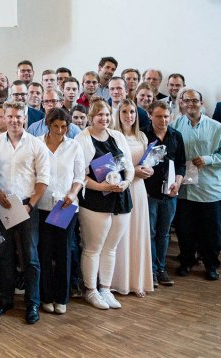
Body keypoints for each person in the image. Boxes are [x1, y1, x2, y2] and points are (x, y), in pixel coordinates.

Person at [0, 101, 50, 324]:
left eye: (18, 116)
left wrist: (30, 205)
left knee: (30, 257)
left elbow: (43, 180)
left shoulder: (36, 145)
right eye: (9, 116)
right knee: (4, 255)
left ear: (25, 118)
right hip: (3, 206)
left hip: (27, 207)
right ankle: (5, 299)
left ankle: (32, 303)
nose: (13, 120)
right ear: (4, 118)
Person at [73, 100, 134, 310]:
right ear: (91, 116)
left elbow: (130, 167)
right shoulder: (82, 139)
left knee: (111, 248)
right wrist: (101, 187)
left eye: (107, 114)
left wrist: (126, 183)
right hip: (95, 200)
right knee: (93, 248)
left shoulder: (117, 136)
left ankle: (106, 289)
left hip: (120, 198)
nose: (104, 119)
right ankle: (91, 290)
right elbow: (79, 175)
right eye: (100, 115)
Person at [170, 88, 221, 281]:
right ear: (181, 103)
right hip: (185, 189)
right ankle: (187, 261)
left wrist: (208, 159)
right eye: (187, 100)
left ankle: (211, 265)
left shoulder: (215, 127)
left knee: (211, 232)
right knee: (185, 229)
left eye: (195, 101)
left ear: (201, 103)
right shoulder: (175, 126)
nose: (191, 104)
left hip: (210, 189)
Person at [37, 108, 84, 315]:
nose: (59, 131)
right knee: (44, 252)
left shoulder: (74, 146)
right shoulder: (36, 143)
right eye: (55, 126)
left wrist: (73, 194)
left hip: (65, 206)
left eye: (64, 127)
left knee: (64, 252)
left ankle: (61, 298)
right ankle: (46, 296)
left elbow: (79, 176)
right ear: (48, 125)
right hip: (42, 205)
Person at [110, 100, 155, 297]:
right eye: (125, 111)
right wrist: (132, 172)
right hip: (122, 187)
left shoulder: (142, 136)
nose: (129, 115)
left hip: (138, 189)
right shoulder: (113, 136)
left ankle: (137, 282)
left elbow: (147, 161)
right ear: (118, 114)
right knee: (121, 235)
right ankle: (117, 282)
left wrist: (149, 169)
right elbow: (111, 168)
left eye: (132, 112)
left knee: (138, 232)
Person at [141, 101, 186, 287]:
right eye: (159, 116)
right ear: (150, 116)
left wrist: (178, 182)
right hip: (148, 193)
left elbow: (182, 163)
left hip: (169, 193)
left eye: (166, 116)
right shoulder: (143, 135)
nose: (163, 120)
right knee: (149, 233)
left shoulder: (176, 136)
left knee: (164, 233)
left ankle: (161, 268)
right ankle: (150, 270)